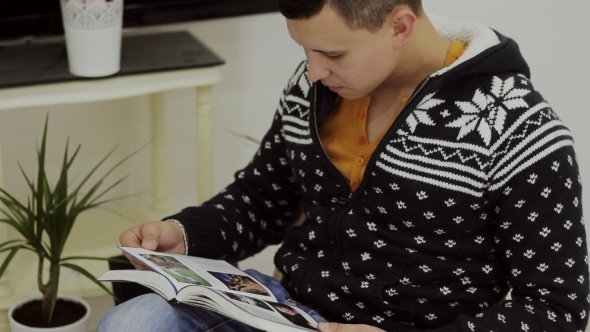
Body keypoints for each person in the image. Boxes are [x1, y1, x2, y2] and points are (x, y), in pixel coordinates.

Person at [98, 0, 589, 331]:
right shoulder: (317, 87)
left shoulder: (517, 126)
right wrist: (183, 234)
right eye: (304, 50)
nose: (313, 71)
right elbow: (261, 200)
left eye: (331, 52)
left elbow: (558, 308)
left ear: (399, 26)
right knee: (134, 322)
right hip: (288, 313)